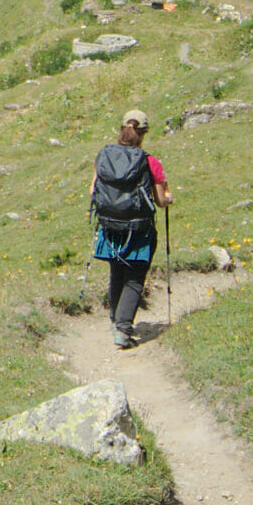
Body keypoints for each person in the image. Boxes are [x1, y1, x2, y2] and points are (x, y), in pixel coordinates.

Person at [88, 109, 171, 349]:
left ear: (121, 129)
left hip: (110, 226)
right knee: (134, 278)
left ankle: (116, 321)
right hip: (139, 228)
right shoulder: (149, 162)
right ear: (143, 133)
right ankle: (123, 330)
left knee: (117, 272)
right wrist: (169, 198)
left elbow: (93, 190)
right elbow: (160, 200)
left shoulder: (104, 156)